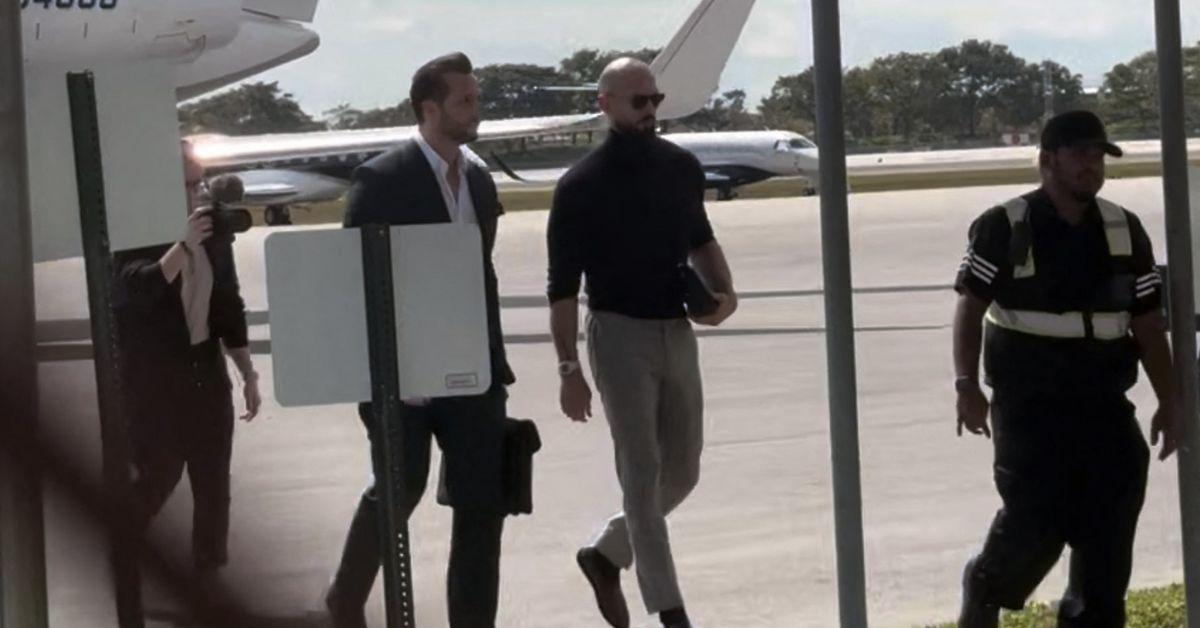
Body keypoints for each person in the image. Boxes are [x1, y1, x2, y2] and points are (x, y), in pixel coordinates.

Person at [953, 110, 1182, 627]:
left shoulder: (1124, 229)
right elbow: (969, 308)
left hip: (1103, 408)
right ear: (1048, 160)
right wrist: (966, 384)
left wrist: (1171, 401)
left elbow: (1148, 325)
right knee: (1036, 524)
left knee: (1107, 539)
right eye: (1080, 155)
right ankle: (987, 583)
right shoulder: (1005, 225)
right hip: (1030, 408)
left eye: (1098, 156)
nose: (1092, 166)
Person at [324, 52, 515, 628]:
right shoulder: (382, 179)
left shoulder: (479, 181)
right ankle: (345, 598)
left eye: (476, 99)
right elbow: (353, 281)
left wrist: (491, 362)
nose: (475, 109)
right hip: (401, 376)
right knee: (399, 490)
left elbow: (480, 273)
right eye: (465, 100)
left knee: (483, 505)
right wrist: (389, 372)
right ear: (429, 109)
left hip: (471, 372)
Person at [546, 58, 737, 628]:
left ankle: (606, 554)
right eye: (638, 102)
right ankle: (670, 610)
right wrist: (567, 368)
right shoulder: (579, 186)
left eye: (655, 100)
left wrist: (726, 295)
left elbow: (701, 237)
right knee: (641, 469)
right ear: (604, 104)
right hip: (617, 334)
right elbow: (560, 289)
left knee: (683, 469)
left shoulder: (680, 167)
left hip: (676, 329)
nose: (650, 110)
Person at [111, 146, 261, 626]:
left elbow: (227, 302)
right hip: (153, 374)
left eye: (200, 183)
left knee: (214, 480)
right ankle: (123, 555)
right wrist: (181, 246)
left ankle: (207, 577)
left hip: (203, 367)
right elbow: (132, 292)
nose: (197, 194)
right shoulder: (135, 228)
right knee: (160, 474)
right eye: (187, 185)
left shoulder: (213, 230)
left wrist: (247, 371)